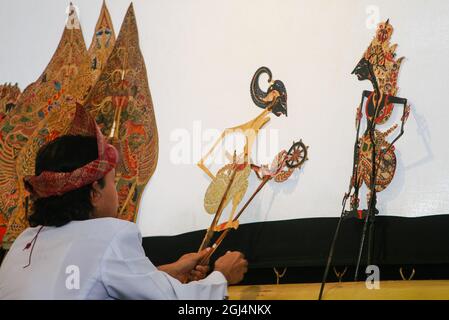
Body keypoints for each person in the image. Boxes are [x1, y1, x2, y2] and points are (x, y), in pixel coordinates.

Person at [0, 109, 248, 299]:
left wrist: (172, 269)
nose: (118, 192)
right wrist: (221, 276)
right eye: (112, 182)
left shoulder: (24, 242)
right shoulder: (109, 235)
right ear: (94, 192)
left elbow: (91, 281)